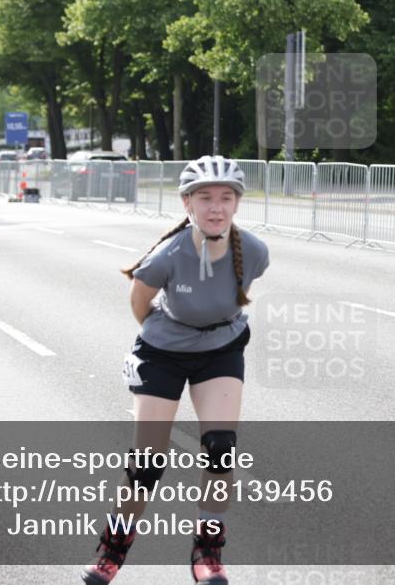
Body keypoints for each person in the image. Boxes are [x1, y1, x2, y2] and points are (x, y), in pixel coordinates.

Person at [83, 155, 270, 585]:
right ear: (187, 203)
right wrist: (170, 336)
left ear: (238, 204)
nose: (216, 207)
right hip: (162, 351)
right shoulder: (167, 254)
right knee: (146, 463)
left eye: (226, 198)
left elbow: (230, 299)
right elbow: (139, 305)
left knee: (221, 448)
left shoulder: (255, 251)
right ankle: (112, 549)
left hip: (220, 349)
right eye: (205, 198)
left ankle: (208, 551)